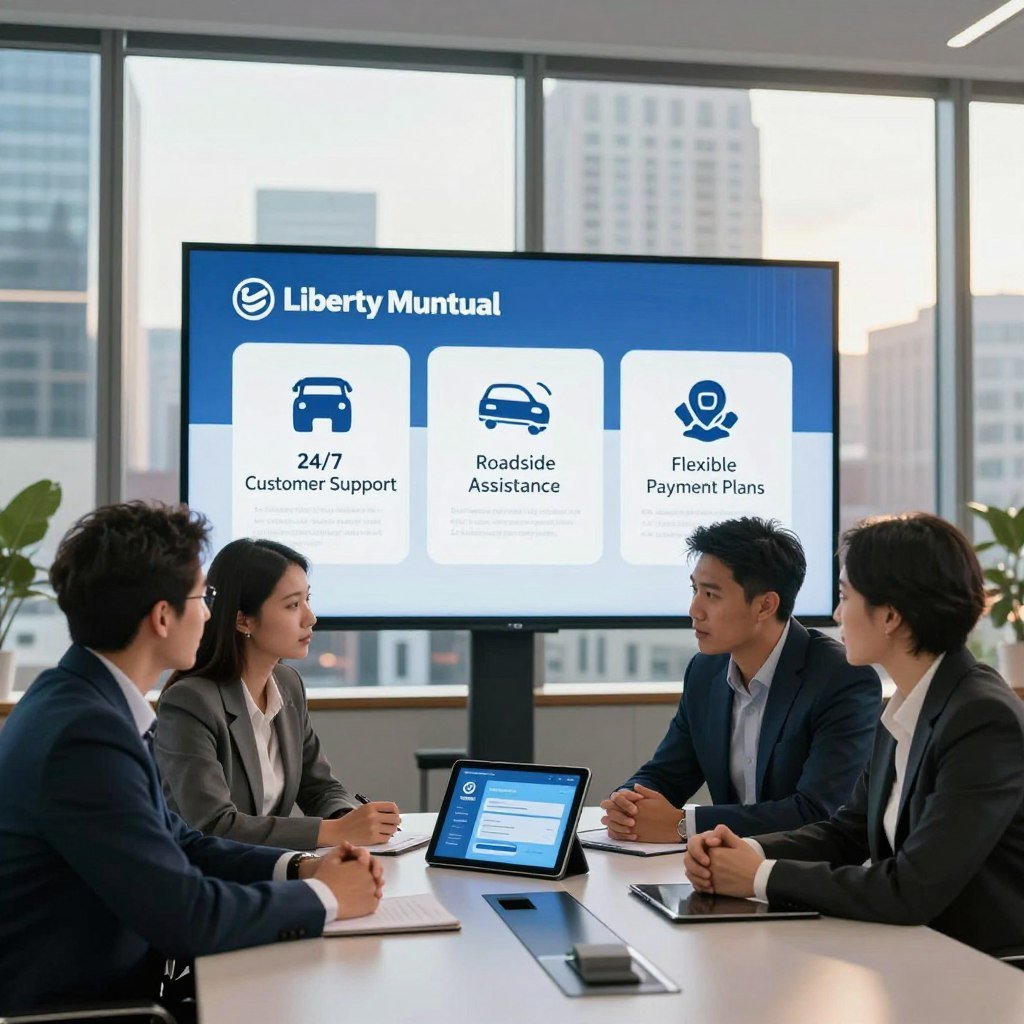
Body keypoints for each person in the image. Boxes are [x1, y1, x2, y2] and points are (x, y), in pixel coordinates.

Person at [0, 503, 383, 1015]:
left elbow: (182, 841)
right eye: (202, 598)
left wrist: (302, 868)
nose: (208, 614)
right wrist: (327, 898)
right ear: (163, 617)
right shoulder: (85, 735)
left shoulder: (81, 701)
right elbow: (187, 916)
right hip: (95, 1008)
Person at [684, 513, 1024, 954]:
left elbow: (910, 889)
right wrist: (746, 849)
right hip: (919, 953)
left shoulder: (980, 718)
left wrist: (758, 877)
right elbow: (847, 832)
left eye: (845, 596)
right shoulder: (907, 705)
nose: (837, 613)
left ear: (890, 616)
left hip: (983, 969)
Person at [602, 517, 881, 845]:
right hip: (719, 865)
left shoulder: (842, 678)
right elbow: (666, 773)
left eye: (711, 594)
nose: (694, 609)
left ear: (765, 605)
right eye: (695, 590)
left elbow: (818, 811)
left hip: (795, 869)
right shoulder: (705, 672)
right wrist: (627, 804)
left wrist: (685, 825)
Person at [156, 538, 401, 850]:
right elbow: (214, 825)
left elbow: (319, 788)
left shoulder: (288, 685)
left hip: (273, 867)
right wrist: (336, 831)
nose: (310, 618)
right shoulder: (190, 702)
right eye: (293, 605)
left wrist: (347, 818)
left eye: (307, 600)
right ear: (243, 620)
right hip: (209, 874)